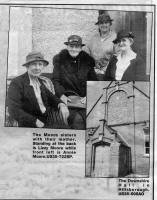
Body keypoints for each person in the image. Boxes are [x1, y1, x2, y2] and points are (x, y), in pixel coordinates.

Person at [7, 51, 69, 128]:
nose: (37, 68)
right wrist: (34, 121)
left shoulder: (39, 81)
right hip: (29, 124)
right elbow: (13, 109)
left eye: (40, 64)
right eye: (34, 64)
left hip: (47, 119)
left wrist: (61, 104)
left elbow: (51, 97)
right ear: (27, 66)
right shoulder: (17, 82)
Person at [52, 35, 97, 129]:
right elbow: (56, 80)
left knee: (87, 118)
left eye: (77, 47)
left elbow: (94, 82)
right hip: (66, 99)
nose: (74, 49)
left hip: (83, 100)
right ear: (67, 47)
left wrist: (89, 95)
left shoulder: (87, 61)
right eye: (71, 46)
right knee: (73, 118)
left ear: (80, 48)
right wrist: (61, 95)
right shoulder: (60, 60)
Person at [86, 14, 117, 80]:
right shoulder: (94, 38)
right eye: (101, 23)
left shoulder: (115, 38)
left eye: (106, 23)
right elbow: (87, 55)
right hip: (94, 71)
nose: (104, 25)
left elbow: (117, 58)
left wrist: (105, 70)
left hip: (109, 73)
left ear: (110, 24)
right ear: (98, 25)